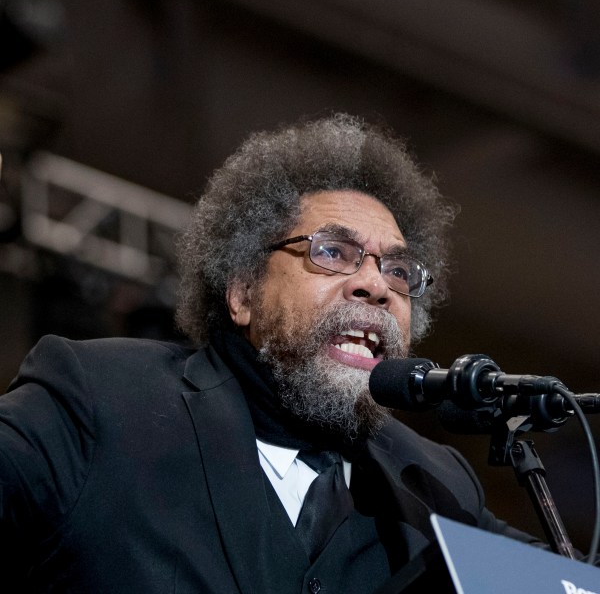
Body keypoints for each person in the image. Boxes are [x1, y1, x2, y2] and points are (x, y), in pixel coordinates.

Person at [1, 114, 543, 593]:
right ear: (242, 292)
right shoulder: (101, 397)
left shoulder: (435, 482)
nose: (376, 285)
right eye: (333, 252)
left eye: (397, 271)